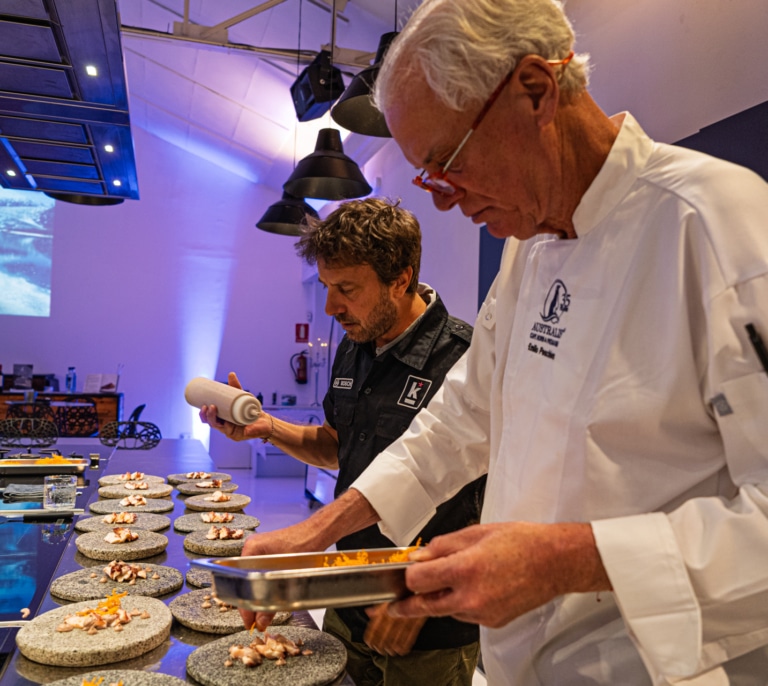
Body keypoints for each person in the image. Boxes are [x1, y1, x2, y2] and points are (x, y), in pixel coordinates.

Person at [233, 1, 768, 684]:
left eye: (446, 161)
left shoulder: (717, 225)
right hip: (520, 662)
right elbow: (458, 423)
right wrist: (322, 529)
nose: (444, 199)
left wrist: (565, 560)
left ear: (536, 90)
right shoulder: (531, 246)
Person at [200, 197, 485, 685]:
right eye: (328, 287)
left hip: (425, 620)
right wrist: (268, 427)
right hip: (347, 598)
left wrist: (421, 593)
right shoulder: (355, 346)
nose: (332, 308)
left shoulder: (466, 359)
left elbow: (487, 502)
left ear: (401, 278)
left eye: (346, 289)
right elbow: (338, 446)